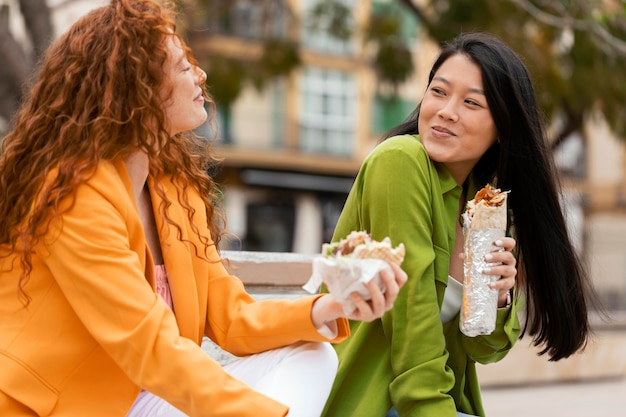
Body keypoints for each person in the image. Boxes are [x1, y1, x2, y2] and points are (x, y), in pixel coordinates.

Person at [0, 0, 408, 416]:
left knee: (313, 353)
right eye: (181, 67)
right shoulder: (73, 192)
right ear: (136, 89)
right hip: (74, 406)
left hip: (149, 394)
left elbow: (228, 316)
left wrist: (331, 306)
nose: (201, 75)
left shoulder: (174, 188)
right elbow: (148, 345)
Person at [321, 32, 599, 417]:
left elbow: (483, 350)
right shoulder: (400, 161)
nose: (447, 111)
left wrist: (499, 297)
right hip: (365, 401)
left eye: (471, 102)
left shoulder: (487, 204)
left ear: (503, 126)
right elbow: (411, 314)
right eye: (438, 92)